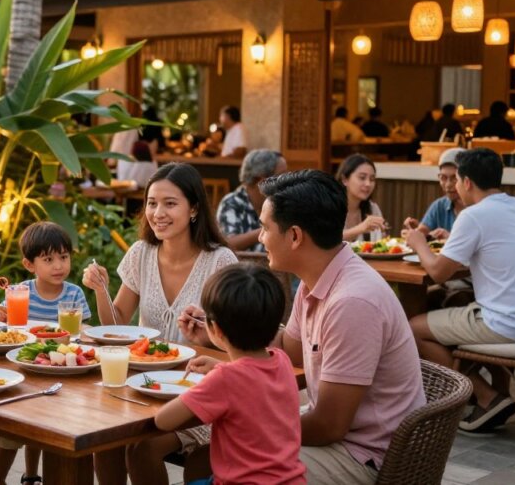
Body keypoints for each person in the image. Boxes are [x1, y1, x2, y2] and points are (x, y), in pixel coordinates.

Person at [182, 169, 424, 484]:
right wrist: (223, 337)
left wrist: (248, 420)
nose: (259, 238)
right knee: (206, 456)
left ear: (295, 236)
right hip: (345, 438)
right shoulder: (318, 278)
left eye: (264, 228)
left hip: (368, 457)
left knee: (226, 455)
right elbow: (289, 351)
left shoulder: (352, 302)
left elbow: (330, 426)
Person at [82, 162, 237, 485]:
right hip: (144, 385)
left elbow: (237, 343)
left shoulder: (220, 261)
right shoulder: (141, 253)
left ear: (194, 208)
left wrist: (206, 333)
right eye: (152, 203)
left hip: (198, 392)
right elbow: (118, 324)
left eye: (170, 203)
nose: (157, 213)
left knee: (142, 449)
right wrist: (100, 291)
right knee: (102, 438)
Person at [406, 148, 515, 433]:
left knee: (412, 328)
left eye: (457, 179)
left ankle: (487, 397)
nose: (455, 186)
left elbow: (437, 272)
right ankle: (486, 395)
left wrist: (418, 242)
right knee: (445, 311)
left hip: (506, 325)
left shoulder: (473, 216)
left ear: (467, 182)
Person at [156, 263, 305, 485]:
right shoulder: (281, 361)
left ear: (215, 329)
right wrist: (219, 367)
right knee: (199, 466)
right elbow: (251, 378)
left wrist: (210, 381)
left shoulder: (224, 379)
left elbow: (163, 420)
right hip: (291, 480)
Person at [0, 222, 92, 485]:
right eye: (48, 259)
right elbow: (3, 325)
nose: (58, 265)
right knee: (11, 434)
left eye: (64, 257)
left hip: (60, 370)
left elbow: (83, 331)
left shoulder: (74, 294)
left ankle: (32, 476)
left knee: (47, 429)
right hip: (25, 368)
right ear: (29, 264)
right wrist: (1, 316)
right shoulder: (21, 292)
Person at [217, 149, 287, 252]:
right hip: (242, 267)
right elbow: (229, 244)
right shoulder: (232, 203)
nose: (286, 181)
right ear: (262, 180)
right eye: (280, 176)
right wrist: (268, 229)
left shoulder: (281, 202)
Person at [403, 148, 466, 240]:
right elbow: (424, 231)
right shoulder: (439, 205)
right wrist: (416, 232)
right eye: (443, 178)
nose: (448, 185)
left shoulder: (479, 209)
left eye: (454, 178)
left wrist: (449, 238)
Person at [338, 154, 387, 242]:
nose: (368, 184)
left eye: (372, 179)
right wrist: (361, 228)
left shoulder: (373, 208)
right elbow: (324, 240)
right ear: (344, 179)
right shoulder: (329, 207)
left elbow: (382, 243)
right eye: (362, 178)